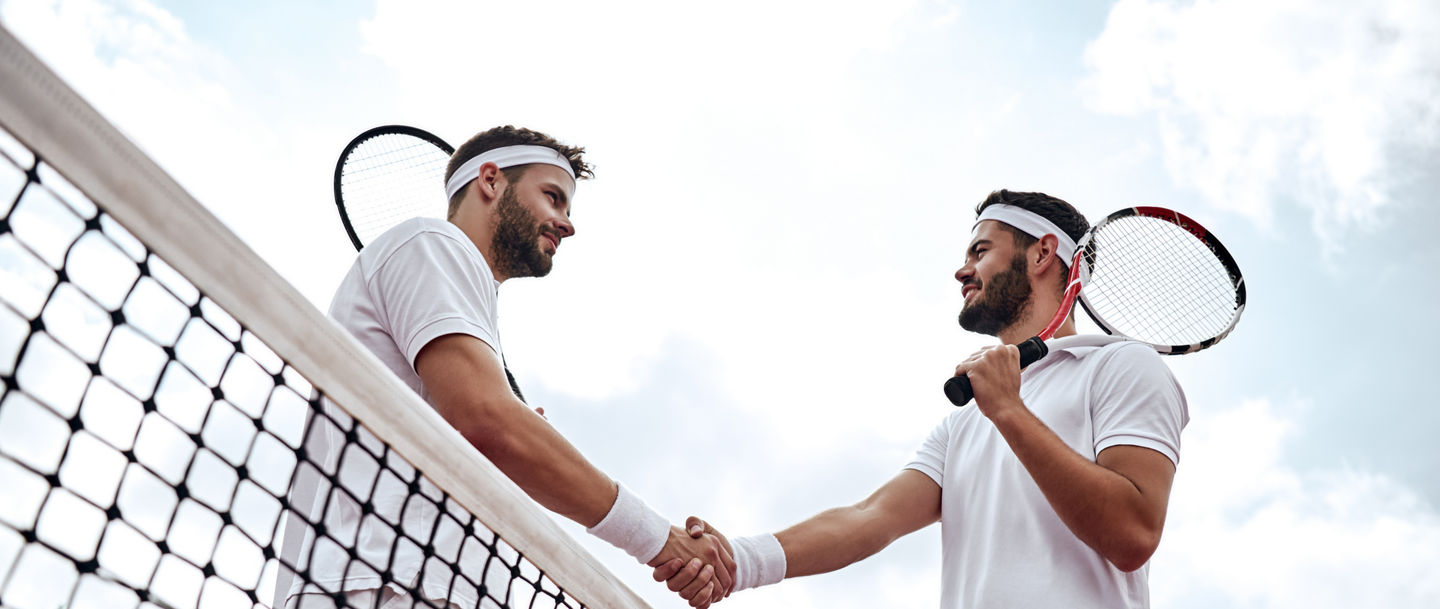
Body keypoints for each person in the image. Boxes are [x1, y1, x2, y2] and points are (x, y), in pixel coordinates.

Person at [655, 190, 1189, 608]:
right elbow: (871, 516)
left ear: (1043, 252)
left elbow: (1132, 533)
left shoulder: (1122, 365)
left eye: (981, 251)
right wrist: (738, 561)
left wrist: (1008, 410)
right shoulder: (966, 421)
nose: (962, 271)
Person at [280, 126, 734, 609]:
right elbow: (489, 422)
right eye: (553, 197)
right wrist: (658, 540)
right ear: (491, 180)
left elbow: (489, 433)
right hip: (382, 584)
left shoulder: (465, 302)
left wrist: (511, 449)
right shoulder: (432, 242)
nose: (567, 223)